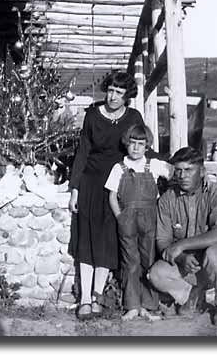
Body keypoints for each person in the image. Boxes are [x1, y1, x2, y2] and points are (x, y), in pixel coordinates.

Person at [68, 71, 144, 320]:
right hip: (90, 182)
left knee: (107, 240)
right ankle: (85, 300)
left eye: (119, 93)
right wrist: (75, 190)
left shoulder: (133, 117)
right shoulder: (92, 114)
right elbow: (82, 153)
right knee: (87, 239)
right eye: (111, 90)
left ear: (127, 96)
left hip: (117, 186)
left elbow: (141, 148)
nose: (113, 96)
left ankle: (98, 297)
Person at [148, 146, 217, 326]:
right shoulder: (168, 199)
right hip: (189, 266)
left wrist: (182, 245)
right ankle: (192, 295)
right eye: (179, 170)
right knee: (156, 274)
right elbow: (162, 240)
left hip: (214, 261)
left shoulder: (216, 194)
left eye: (189, 170)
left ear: (202, 171)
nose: (182, 176)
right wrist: (181, 257)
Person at [105, 124, 172, 321]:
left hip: (150, 221)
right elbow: (112, 196)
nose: (136, 148)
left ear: (147, 146)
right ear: (126, 144)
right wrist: (120, 217)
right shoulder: (119, 167)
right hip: (127, 221)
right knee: (130, 262)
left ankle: (148, 305)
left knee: (149, 260)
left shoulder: (153, 165)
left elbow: (174, 172)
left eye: (140, 144)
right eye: (132, 143)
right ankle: (132, 305)